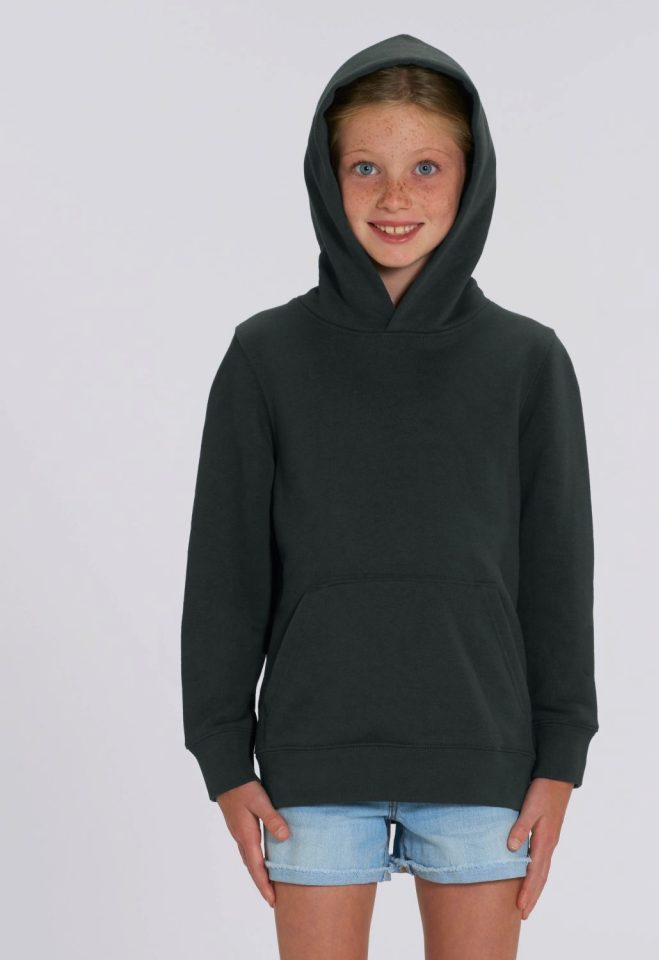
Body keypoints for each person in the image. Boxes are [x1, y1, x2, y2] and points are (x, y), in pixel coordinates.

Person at [181, 33, 598, 959]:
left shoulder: (527, 362)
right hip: (312, 765)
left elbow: (558, 576)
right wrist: (223, 757)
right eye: (365, 166)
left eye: (426, 168)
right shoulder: (266, 357)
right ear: (327, 177)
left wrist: (561, 759)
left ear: (470, 178)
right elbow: (225, 574)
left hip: (483, 763)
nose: (395, 196)